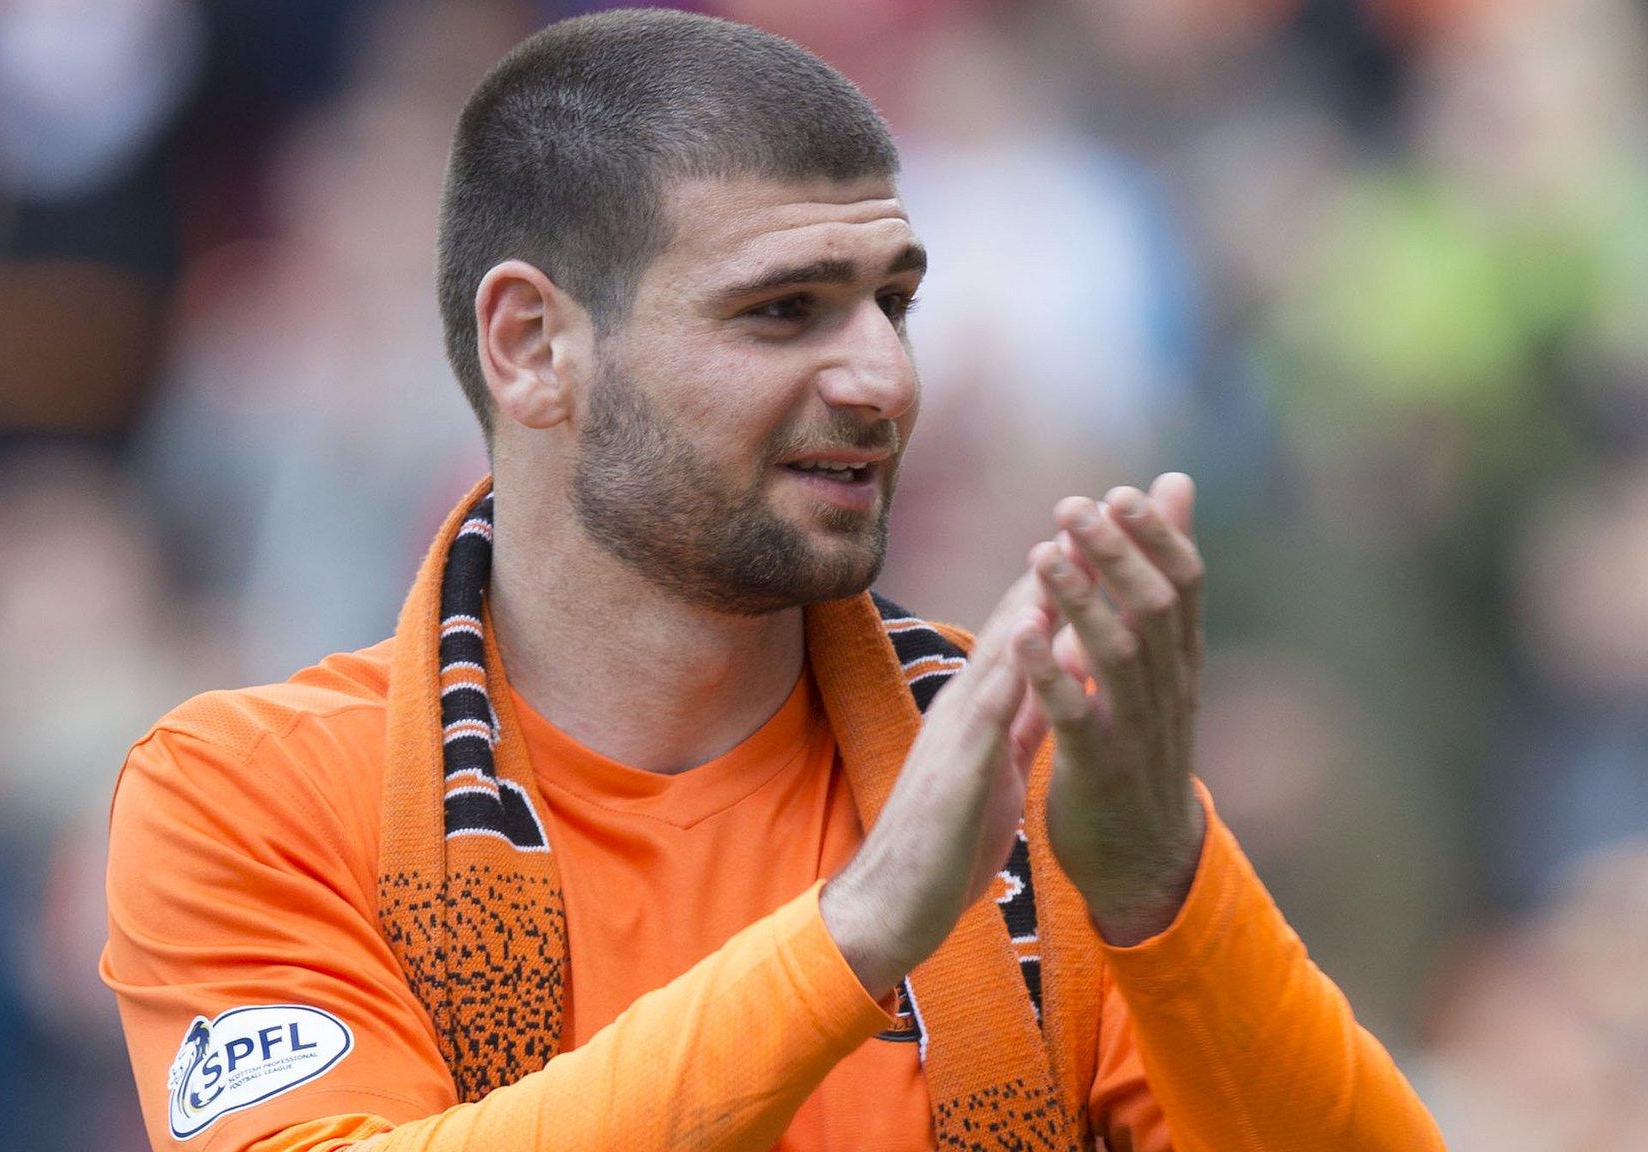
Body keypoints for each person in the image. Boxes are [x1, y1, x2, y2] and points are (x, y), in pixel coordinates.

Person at [101, 10, 1447, 1151]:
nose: (883, 378)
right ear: (530, 346)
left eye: (893, 303)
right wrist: (857, 933)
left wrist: (1161, 887)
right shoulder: (247, 797)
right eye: (784, 310)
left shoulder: (1032, 779)